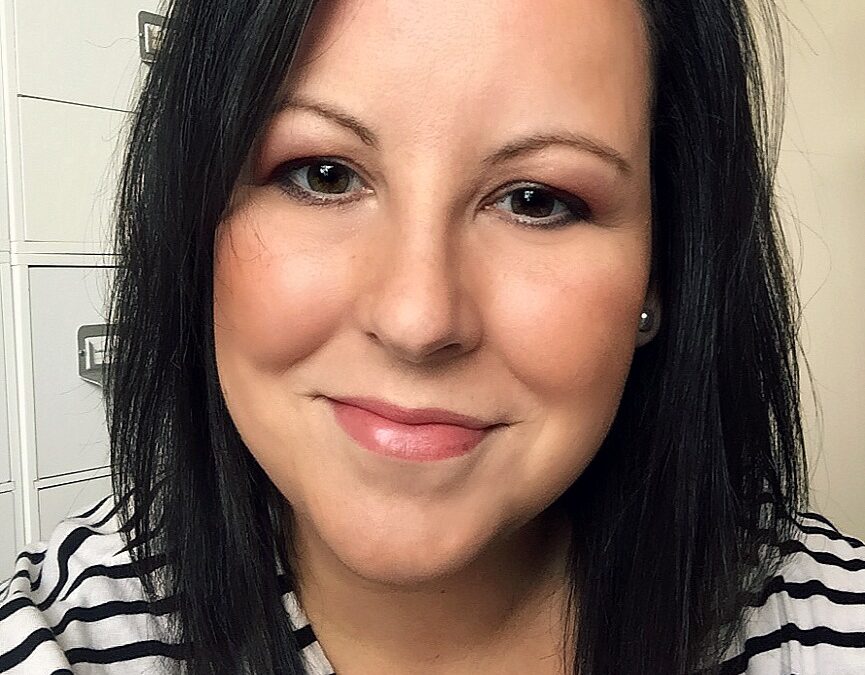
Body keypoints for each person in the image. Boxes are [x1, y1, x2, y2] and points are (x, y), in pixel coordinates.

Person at [1, 0, 864, 673]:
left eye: (536, 199)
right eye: (322, 175)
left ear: (659, 274)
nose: (418, 319)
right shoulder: (54, 637)